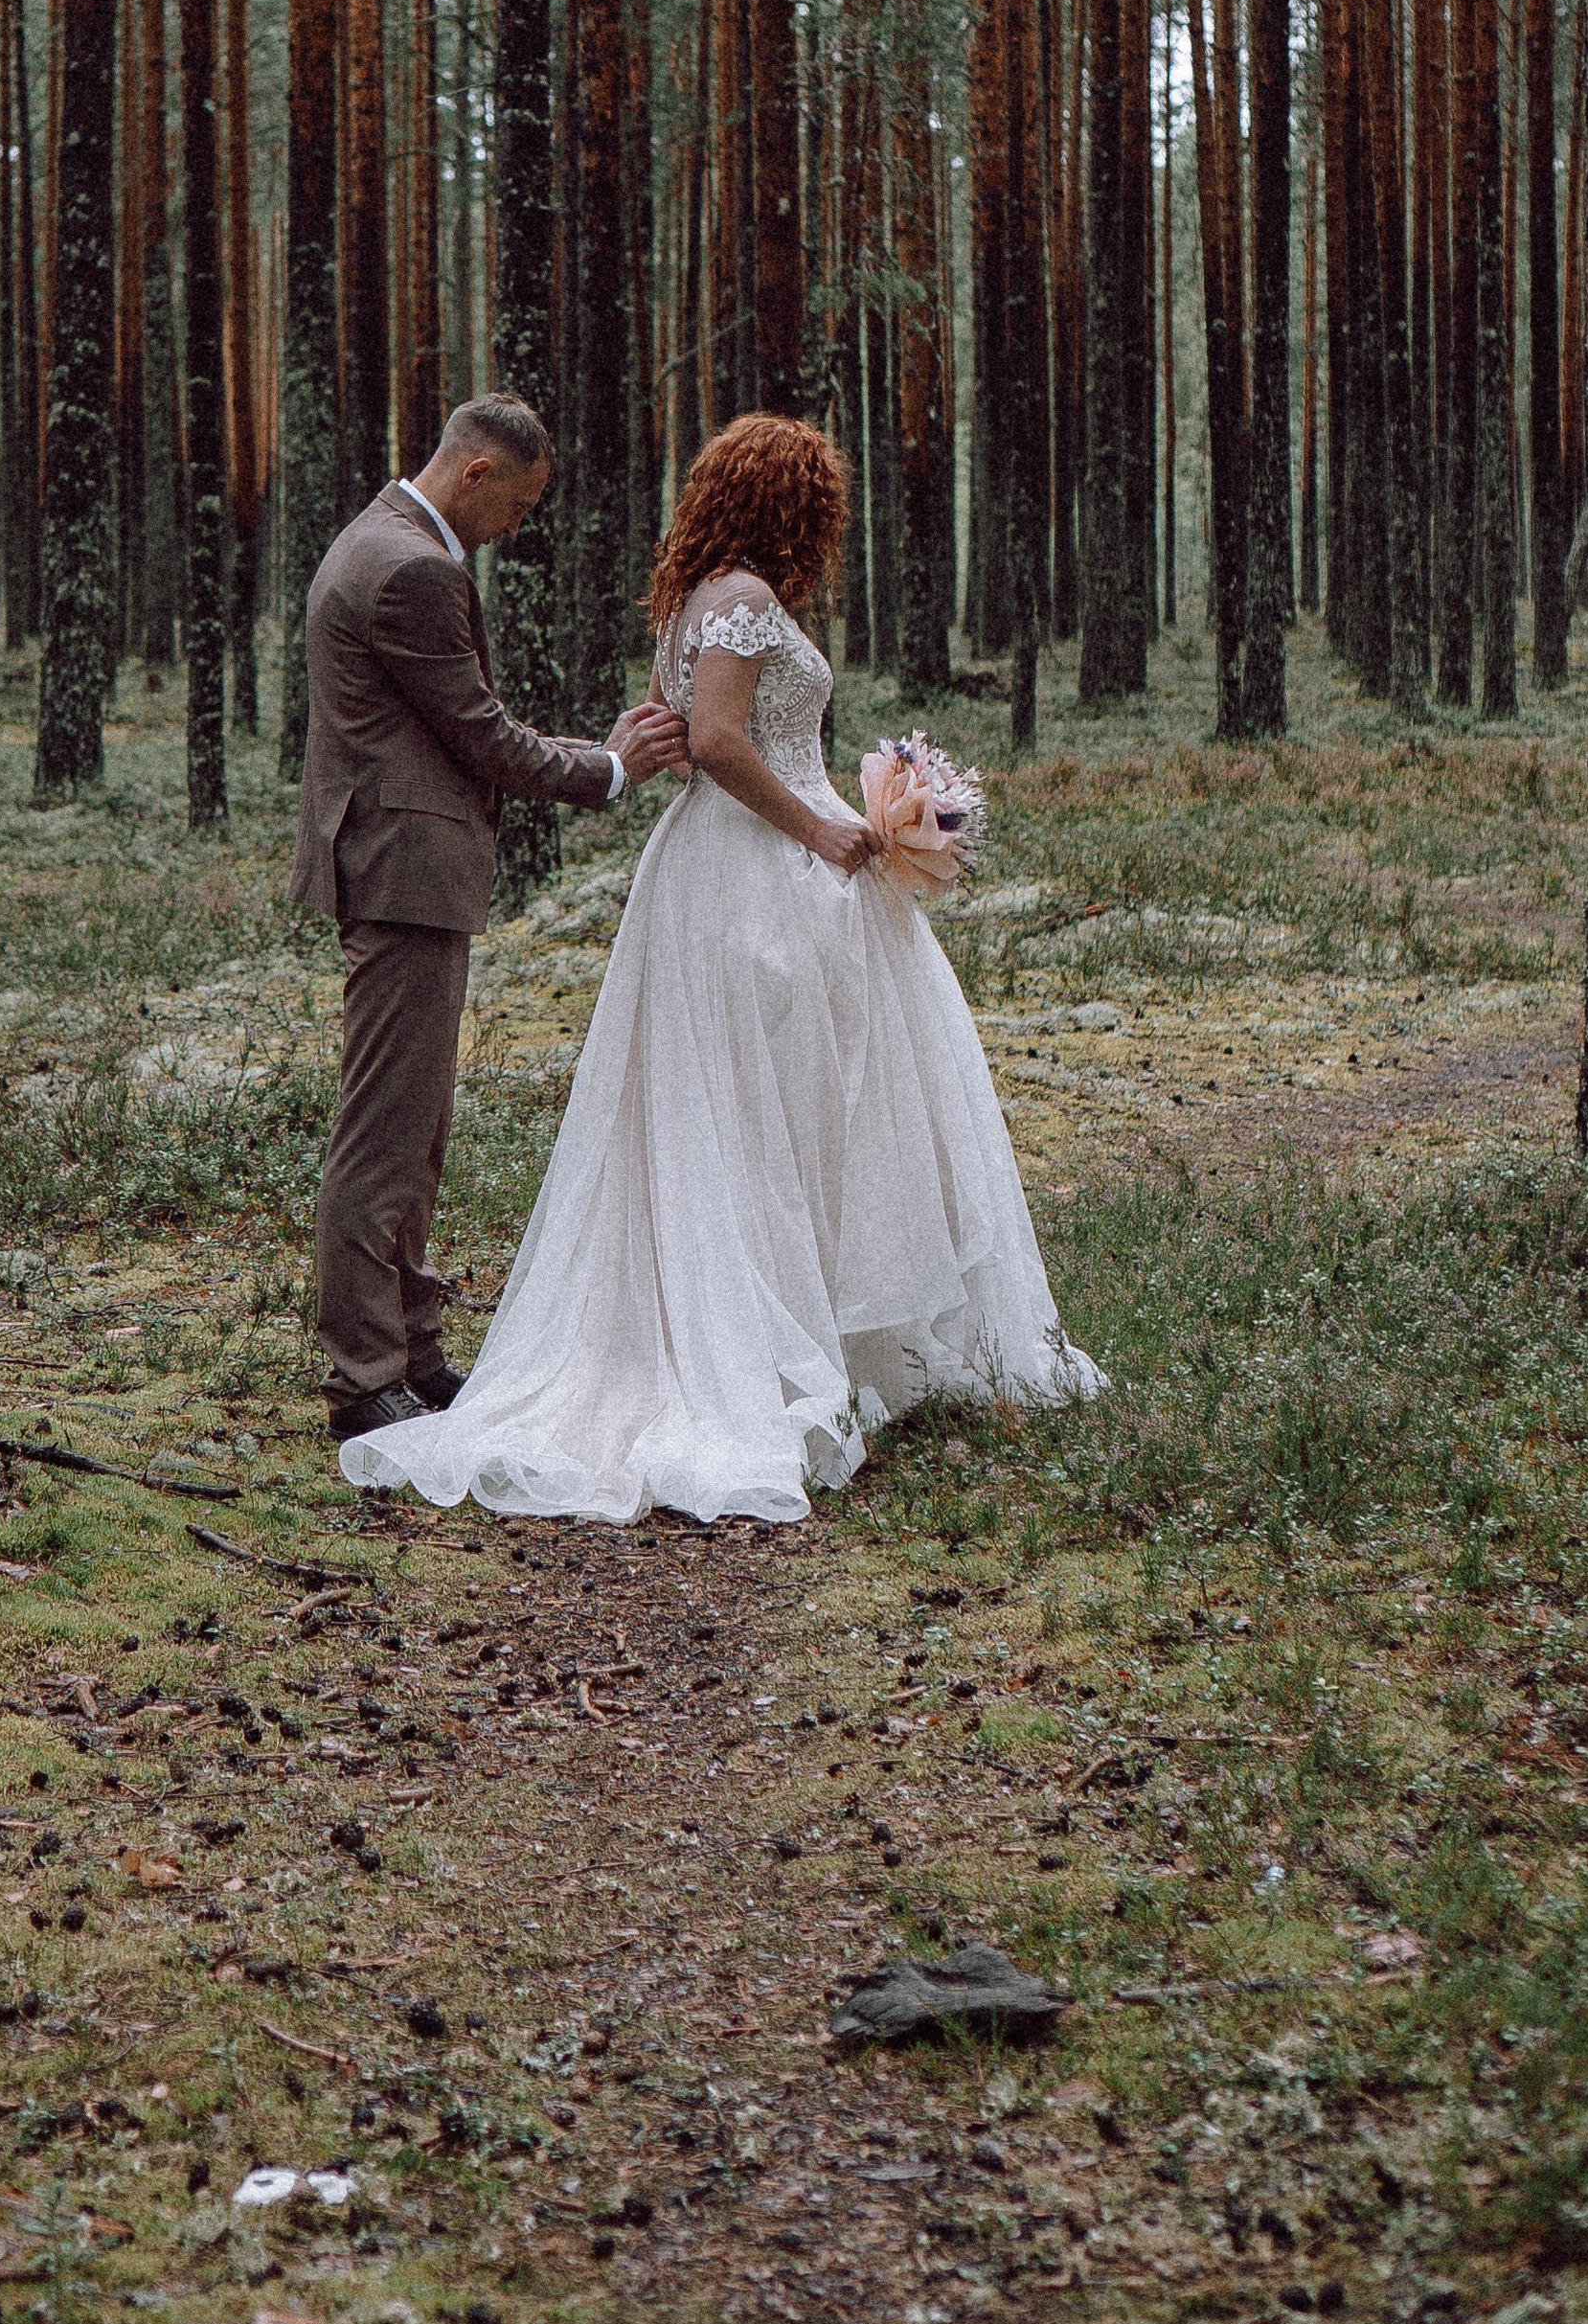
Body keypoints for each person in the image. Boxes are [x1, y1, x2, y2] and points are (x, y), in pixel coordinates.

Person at [339, 410, 1102, 1526]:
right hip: (754, 874)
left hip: (724, 867)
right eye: (820, 508)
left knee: (768, 1104)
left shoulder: (697, 601)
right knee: (765, 1105)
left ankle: (814, 1323)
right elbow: (719, 740)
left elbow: (693, 728)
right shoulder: (740, 600)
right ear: (791, 506)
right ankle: (758, 1341)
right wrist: (822, 827)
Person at [289, 394, 691, 1444]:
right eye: (518, 504)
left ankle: (412, 1355)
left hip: (397, 868)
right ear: (476, 474)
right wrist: (608, 767)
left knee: (414, 1129)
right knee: (385, 1133)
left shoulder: (378, 538)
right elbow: (481, 733)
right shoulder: (412, 570)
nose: (519, 526)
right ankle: (363, 1378)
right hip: (401, 872)